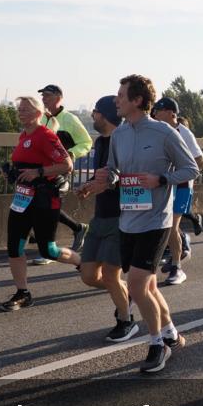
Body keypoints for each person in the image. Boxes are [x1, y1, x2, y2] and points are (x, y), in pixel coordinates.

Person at [100, 75, 200, 373]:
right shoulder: (119, 134)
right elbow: (113, 169)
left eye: (121, 95)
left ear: (138, 101)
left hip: (157, 220)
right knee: (149, 285)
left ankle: (157, 344)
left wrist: (162, 179)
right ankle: (171, 333)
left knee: (137, 286)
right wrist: (107, 179)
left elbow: (191, 167)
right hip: (128, 219)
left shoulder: (164, 133)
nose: (116, 100)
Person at [0, 96, 81, 311]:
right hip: (22, 199)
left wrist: (38, 172)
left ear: (38, 114)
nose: (20, 113)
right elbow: (26, 164)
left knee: (48, 250)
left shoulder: (45, 135)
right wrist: (12, 174)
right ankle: (22, 292)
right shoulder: (23, 136)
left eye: (25, 109)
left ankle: (81, 261)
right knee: (14, 247)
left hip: (45, 199)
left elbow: (67, 165)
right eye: (19, 109)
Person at [75, 97, 137, 342]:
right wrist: (90, 186)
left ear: (106, 115)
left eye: (96, 112)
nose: (92, 115)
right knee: (88, 275)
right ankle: (129, 293)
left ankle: (126, 320)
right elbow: (104, 176)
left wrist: (108, 185)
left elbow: (131, 177)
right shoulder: (100, 142)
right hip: (100, 217)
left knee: (111, 275)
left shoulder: (126, 140)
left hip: (121, 217)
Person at [31, 84, 92, 263]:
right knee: (41, 206)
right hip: (40, 169)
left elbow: (86, 142)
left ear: (59, 97)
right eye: (42, 96)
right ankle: (77, 228)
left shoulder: (70, 119)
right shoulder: (40, 118)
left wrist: (71, 154)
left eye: (47, 96)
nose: (44, 99)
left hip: (59, 169)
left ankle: (49, 249)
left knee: (47, 206)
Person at [151, 97, 203, 286]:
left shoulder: (184, 133)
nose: (155, 113)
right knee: (162, 225)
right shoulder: (156, 132)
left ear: (171, 113)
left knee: (171, 226)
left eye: (159, 110)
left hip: (181, 186)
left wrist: (183, 174)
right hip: (162, 185)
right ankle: (181, 245)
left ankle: (177, 268)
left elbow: (200, 161)